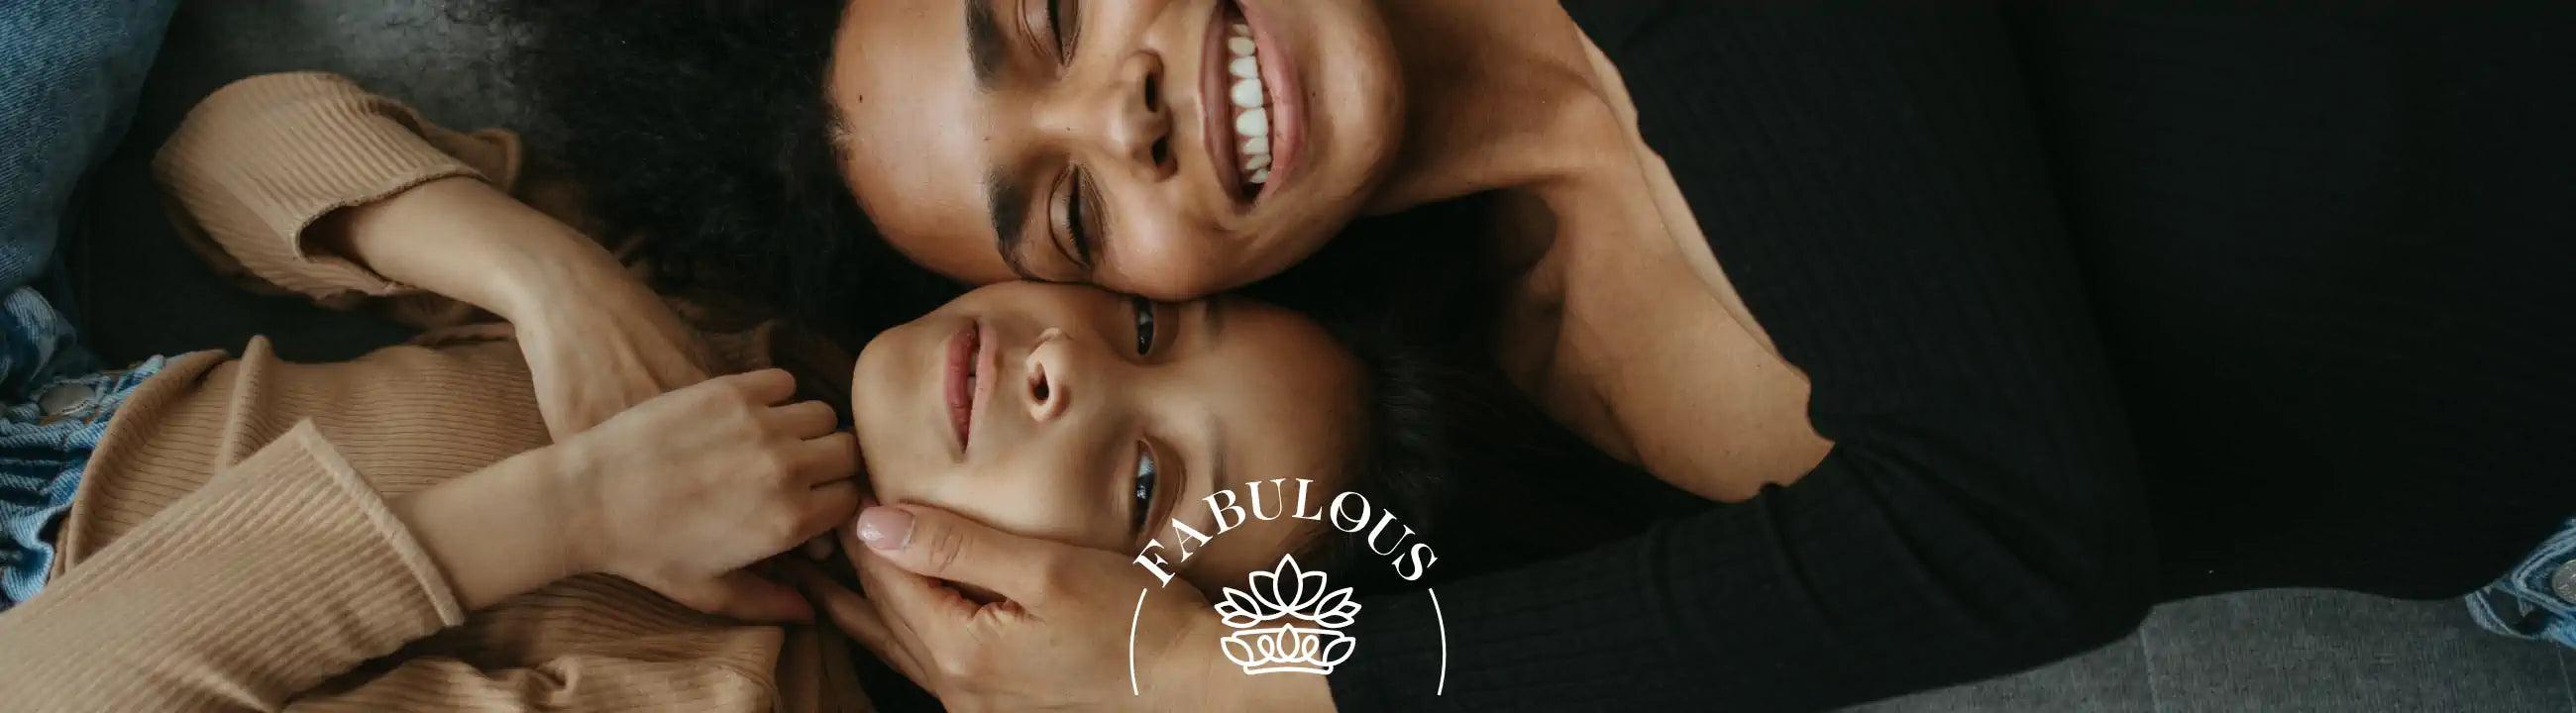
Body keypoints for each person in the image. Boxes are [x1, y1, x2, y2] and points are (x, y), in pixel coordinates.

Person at [171, 1, 2576, 709]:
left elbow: (2030, 534)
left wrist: (553, 308)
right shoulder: (1435, 435)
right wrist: (1140, 644)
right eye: (1052, 213)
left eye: (1036, 12)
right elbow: (1330, 600)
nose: (1107, 100)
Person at [0, 75, 1452, 707]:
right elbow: (219, 157)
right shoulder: (740, 343)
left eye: (1147, 484)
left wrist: (571, 507)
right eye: (1144, 325)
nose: (1068, 364)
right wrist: (547, 279)